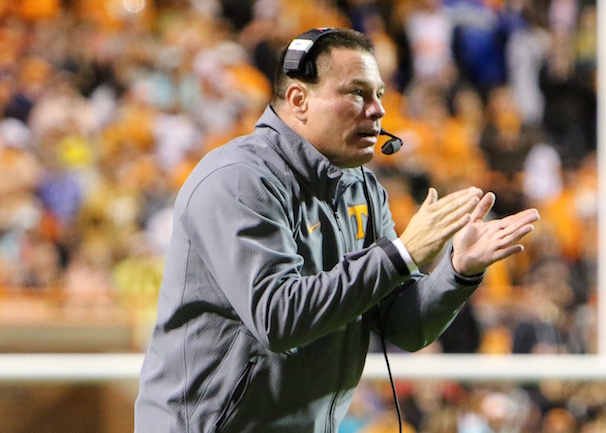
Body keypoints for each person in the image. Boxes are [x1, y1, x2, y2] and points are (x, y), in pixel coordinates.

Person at [134, 27, 540, 433]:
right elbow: (278, 317)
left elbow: (405, 327)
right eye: (357, 93)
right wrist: (401, 254)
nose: (378, 110)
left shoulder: (362, 188)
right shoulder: (237, 179)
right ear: (299, 100)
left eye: (379, 94)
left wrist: (457, 271)